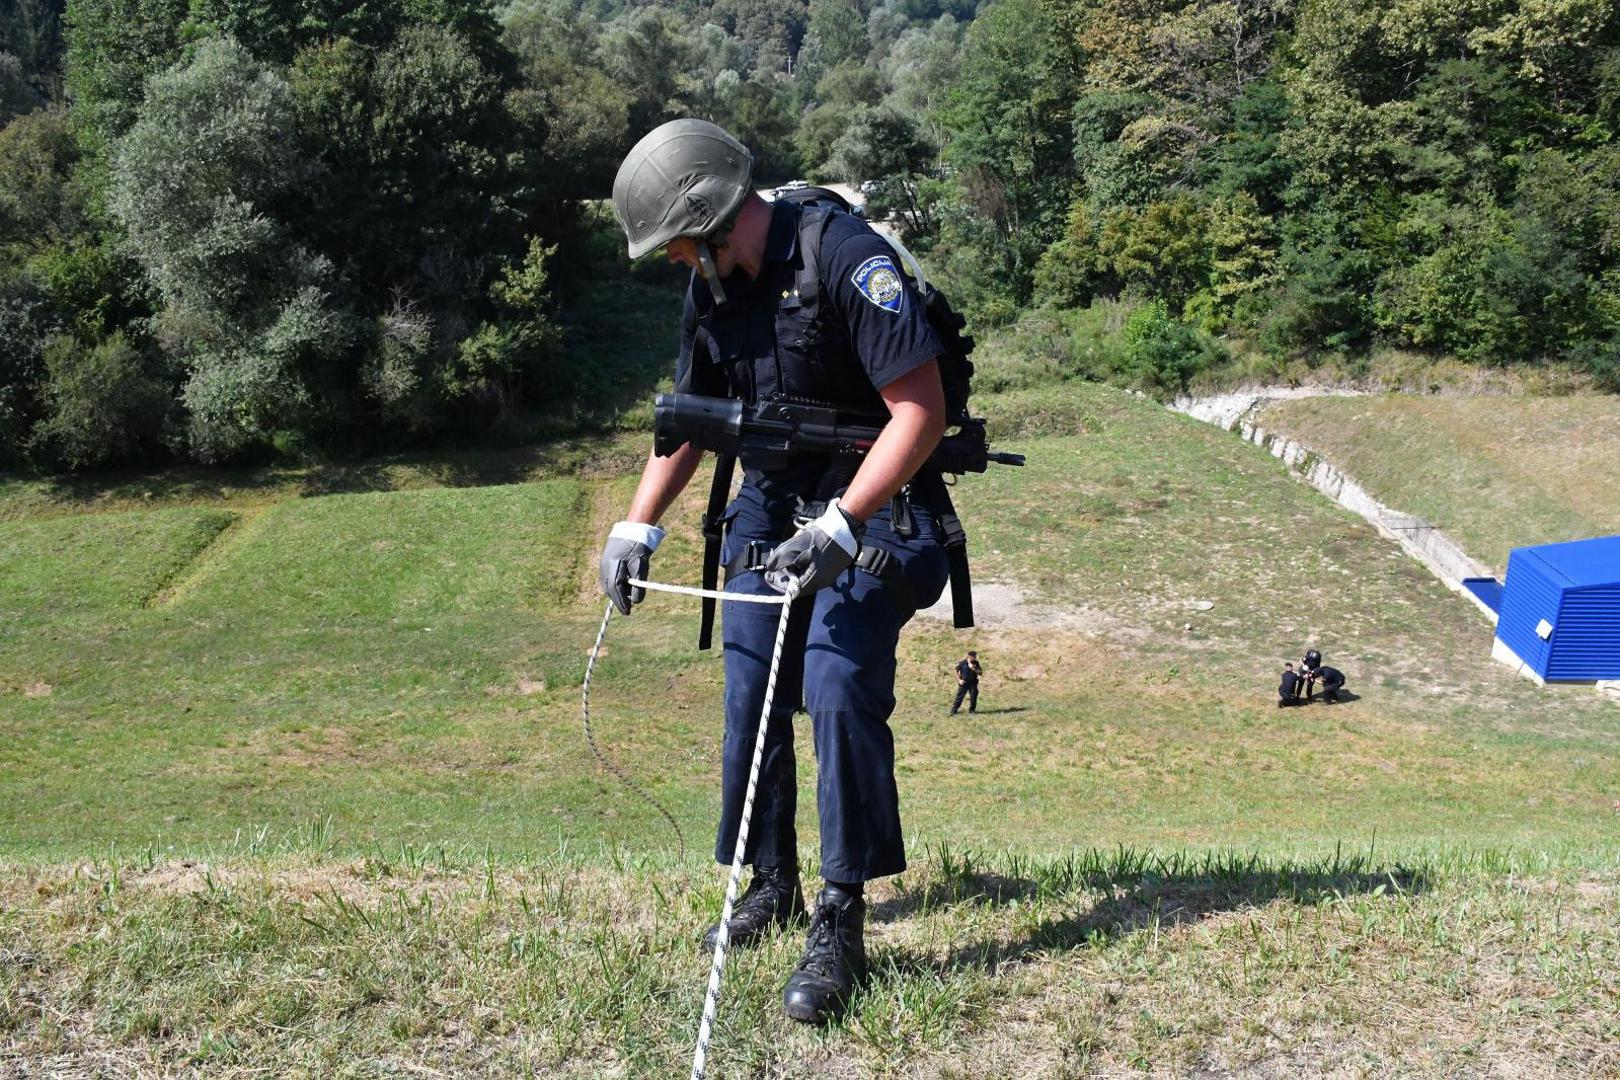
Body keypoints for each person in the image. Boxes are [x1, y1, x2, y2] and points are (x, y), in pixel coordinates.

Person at [596, 119, 952, 1025]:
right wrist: (636, 527)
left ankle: (841, 911)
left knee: (834, 679)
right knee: (752, 683)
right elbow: (692, 421)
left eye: (677, 246)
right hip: (773, 495)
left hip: (881, 495)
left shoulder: (844, 257)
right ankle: (771, 879)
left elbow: (922, 410)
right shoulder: (712, 291)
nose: (676, 262)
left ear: (710, 220)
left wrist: (844, 522)